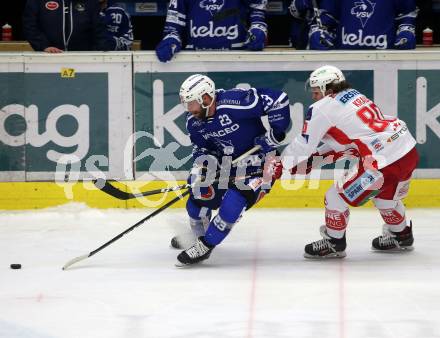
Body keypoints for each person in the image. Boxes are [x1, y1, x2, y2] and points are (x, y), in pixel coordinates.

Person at [281, 65, 419, 259]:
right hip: (407, 150)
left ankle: (334, 242)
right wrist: (313, 160)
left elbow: (303, 144)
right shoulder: (354, 95)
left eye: (316, 92)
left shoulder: (321, 108)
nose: (313, 97)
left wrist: (282, 164)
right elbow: (345, 145)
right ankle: (402, 236)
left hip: (382, 162)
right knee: (386, 198)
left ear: (327, 88)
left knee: (335, 197)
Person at [174, 74, 290, 266]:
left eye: (192, 103)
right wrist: (204, 167)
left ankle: (206, 245)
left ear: (206, 98)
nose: (189, 109)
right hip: (228, 166)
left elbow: (278, 100)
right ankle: (199, 236)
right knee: (196, 199)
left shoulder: (234, 102)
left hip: (261, 165)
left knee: (233, 202)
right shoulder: (193, 122)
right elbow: (202, 148)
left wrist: (275, 133)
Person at [155, 0, 268, 63]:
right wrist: (171, 39)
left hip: (237, 60)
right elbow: (174, 25)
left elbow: (258, 8)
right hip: (196, 62)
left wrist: (258, 27)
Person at [309, 0, 418, 50]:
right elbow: (327, 17)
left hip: (385, 60)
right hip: (344, 60)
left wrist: (406, 31)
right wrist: (319, 32)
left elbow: (407, 13)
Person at [23, 0, 113, 52]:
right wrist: (43, 46)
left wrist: (95, 54)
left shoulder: (91, 3)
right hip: (47, 58)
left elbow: (100, 31)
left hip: (83, 60)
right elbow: (30, 25)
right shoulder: (37, 1)